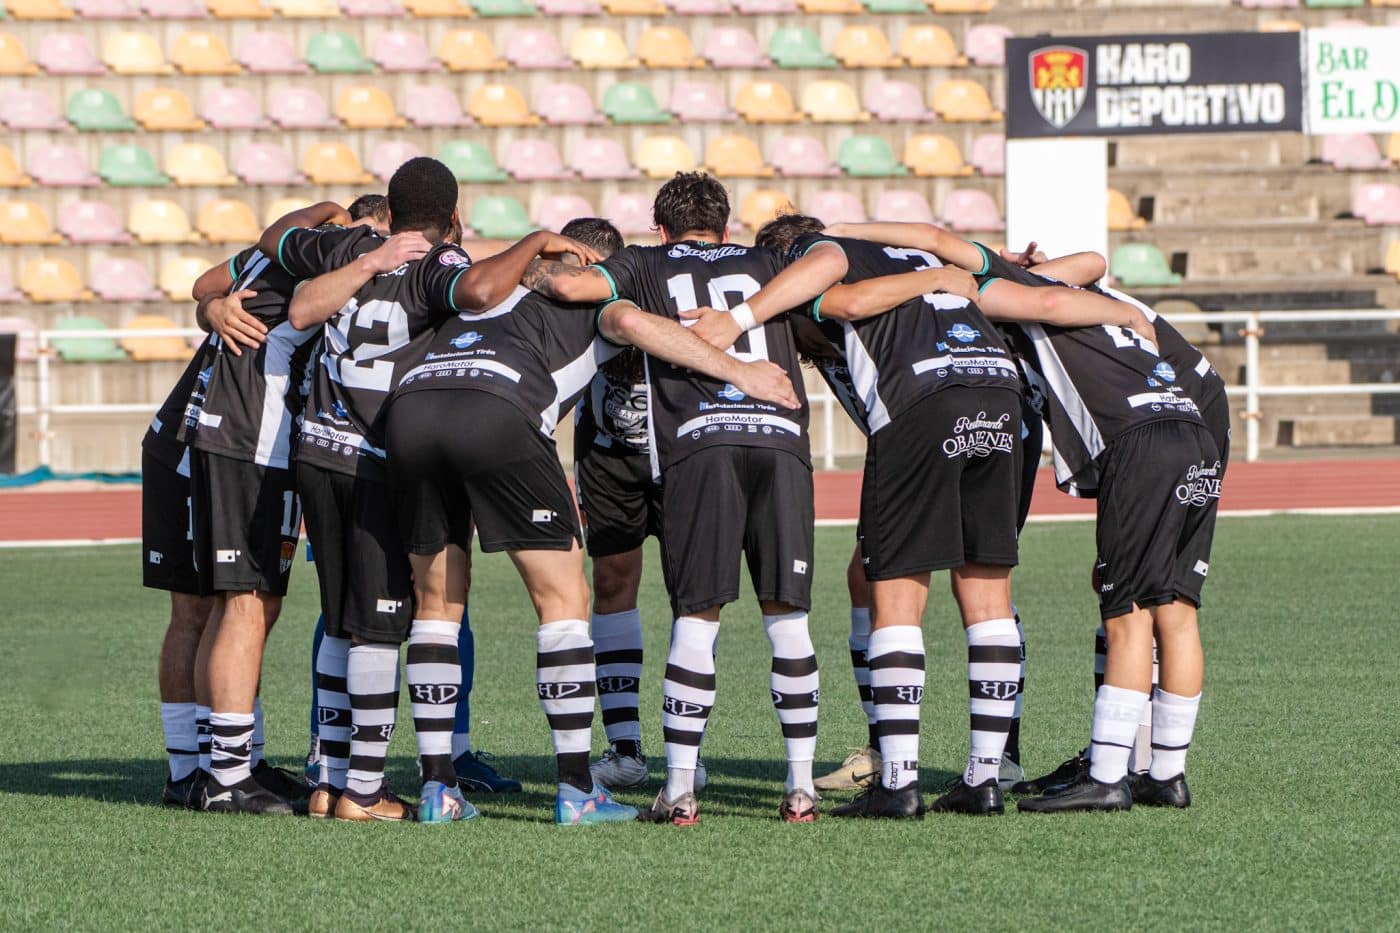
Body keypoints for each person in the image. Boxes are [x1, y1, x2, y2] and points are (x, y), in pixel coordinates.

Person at [371, 215, 800, 824]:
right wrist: (741, 371)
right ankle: (577, 791)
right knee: (564, 602)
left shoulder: (483, 289)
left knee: (437, 605)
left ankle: (438, 790)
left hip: (410, 412)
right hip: (499, 410)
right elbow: (632, 323)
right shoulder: (595, 300)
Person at [271, 158, 604, 822]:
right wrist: (537, 241)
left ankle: (330, 776)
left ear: (391, 214)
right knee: (381, 624)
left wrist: (334, 221)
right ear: (454, 216)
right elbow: (477, 290)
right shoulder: (438, 261)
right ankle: (364, 789)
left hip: (314, 447)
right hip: (375, 453)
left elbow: (279, 254)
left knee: (340, 617)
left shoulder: (350, 245)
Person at [841, 224, 1216, 811]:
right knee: (1176, 607)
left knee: (1127, 611)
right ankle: (1163, 772)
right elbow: (1090, 261)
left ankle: (1108, 774)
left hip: (1141, 437)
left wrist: (846, 235)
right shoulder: (1075, 292)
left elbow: (952, 251)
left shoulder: (1004, 292)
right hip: (1196, 420)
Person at [520, 173, 823, 825]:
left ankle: (679, 787)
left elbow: (567, 286)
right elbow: (831, 260)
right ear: (727, 225)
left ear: (660, 229)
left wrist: (538, 256)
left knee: (696, 612)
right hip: (778, 438)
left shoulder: (645, 262)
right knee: (787, 615)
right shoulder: (769, 262)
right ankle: (800, 788)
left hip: (697, 443)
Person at [182, 206, 343, 815]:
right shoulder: (321, 262)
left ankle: (223, 763)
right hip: (251, 442)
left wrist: (211, 306)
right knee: (246, 603)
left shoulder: (278, 255)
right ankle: (226, 777)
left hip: (234, 436)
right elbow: (221, 294)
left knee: (242, 605)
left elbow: (204, 287)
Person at [144, 321, 217, 808]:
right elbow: (205, 289)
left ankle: (218, 765)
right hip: (192, 448)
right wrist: (214, 304)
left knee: (226, 610)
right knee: (212, 610)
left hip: (210, 443)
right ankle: (196, 769)